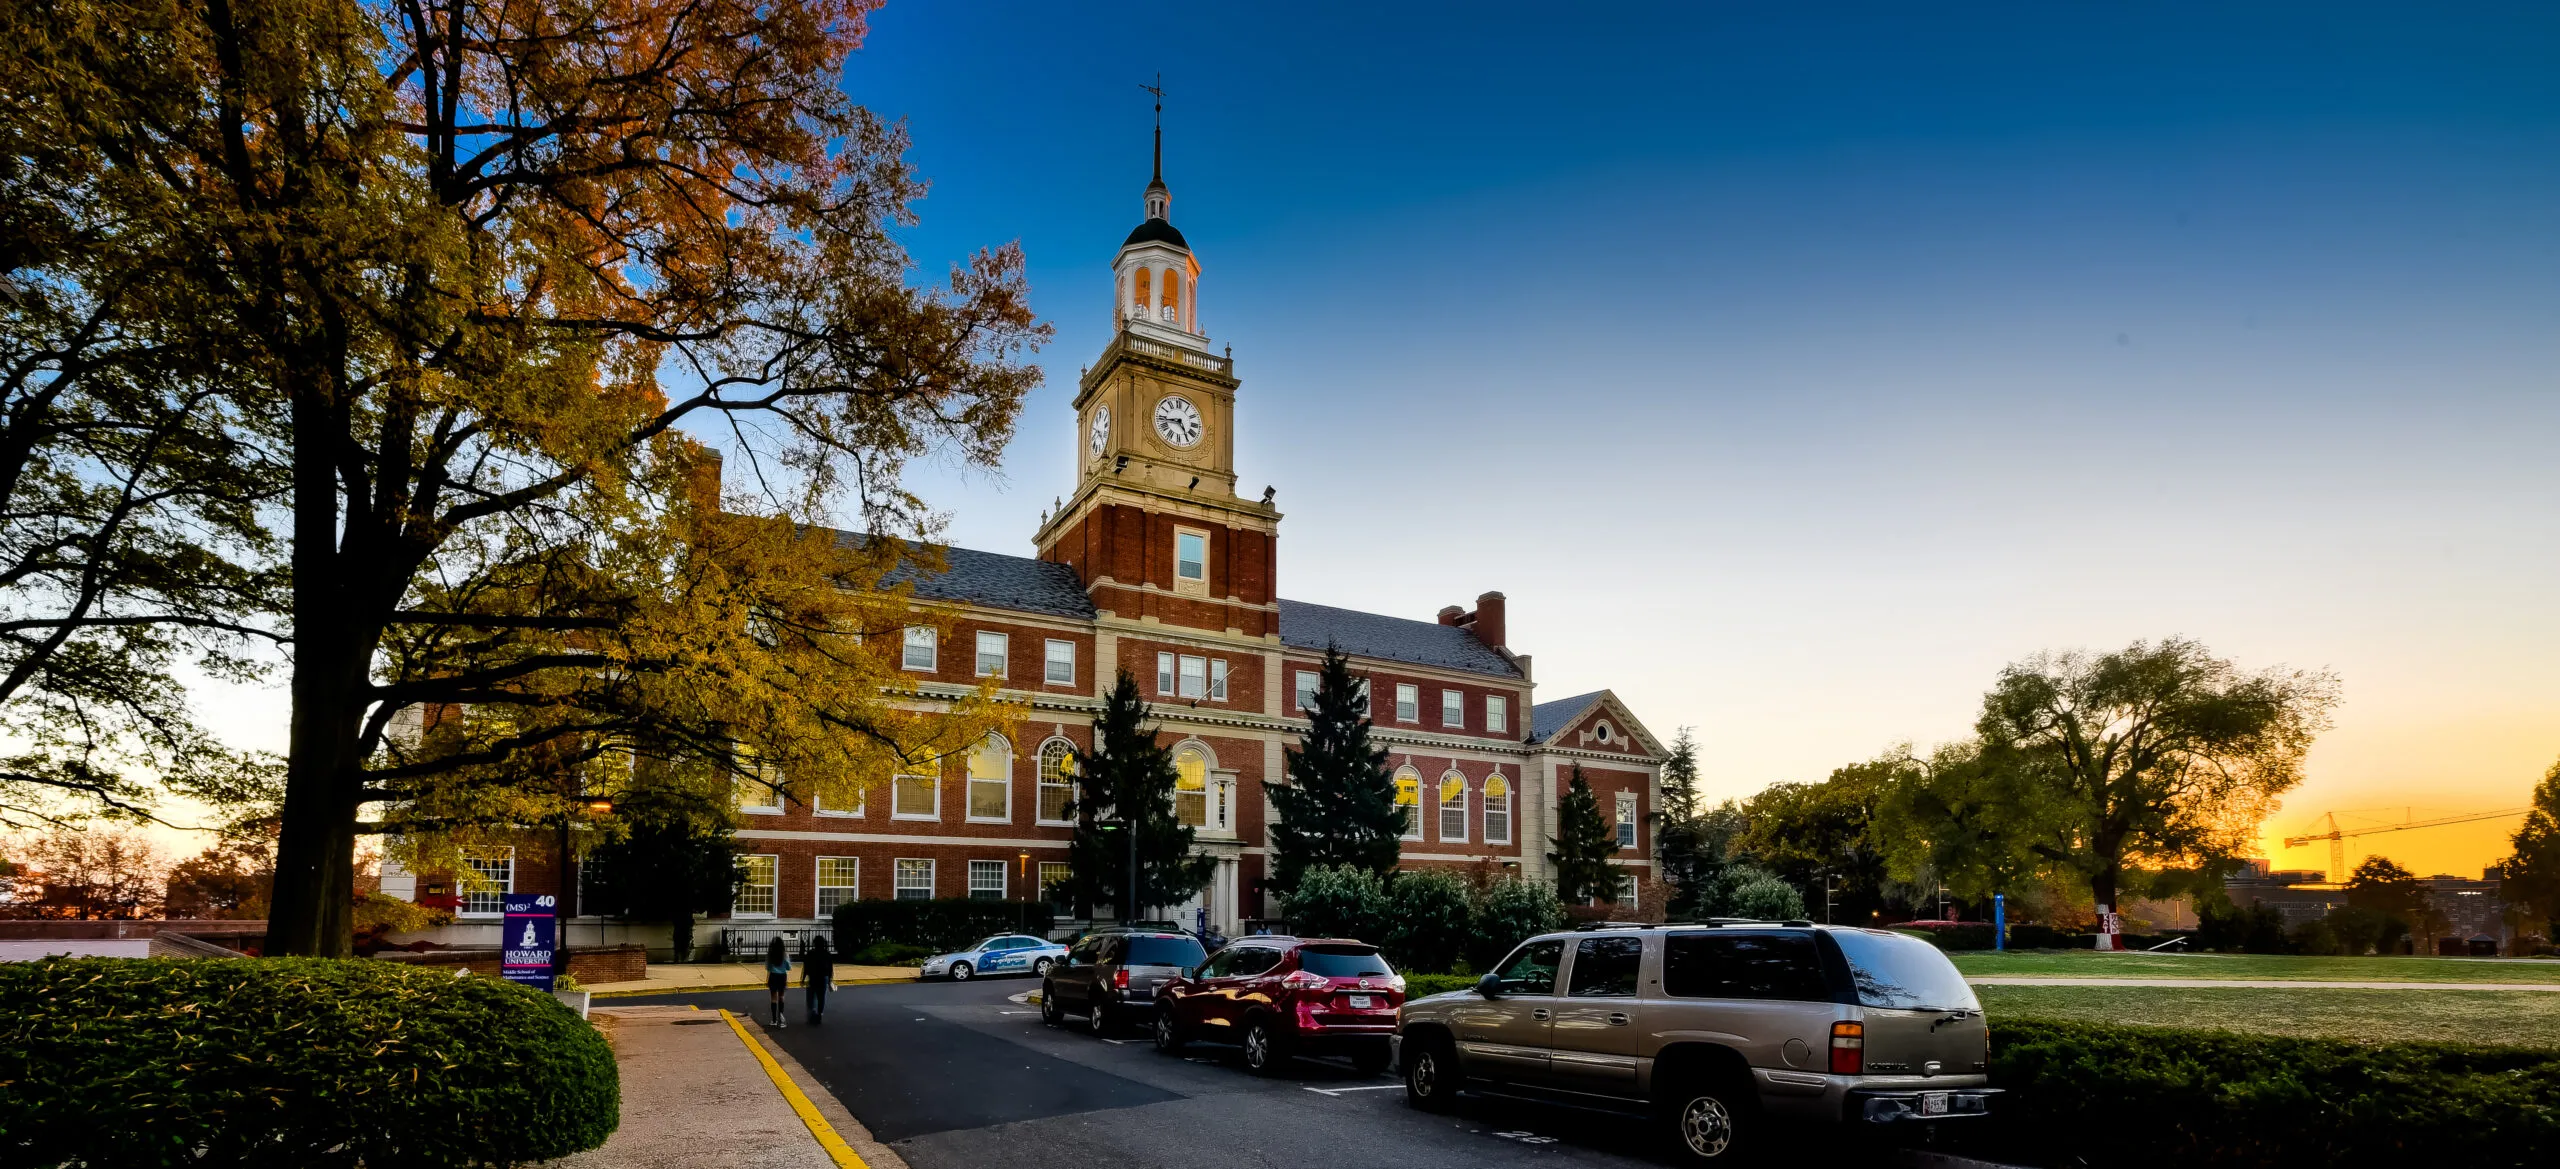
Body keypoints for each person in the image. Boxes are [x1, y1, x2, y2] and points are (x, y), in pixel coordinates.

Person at [802, 936, 836, 1025]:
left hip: (813, 977)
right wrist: (830, 979)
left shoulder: (810, 953)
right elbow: (830, 968)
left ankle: (812, 1013)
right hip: (823, 977)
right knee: (821, 997)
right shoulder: (827, 954)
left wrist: (803, 978)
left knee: (811, 997)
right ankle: (820, 1013)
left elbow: (806, 967)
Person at [764, 936, 791, 1028]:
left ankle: (774, 1020)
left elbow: (768, 968)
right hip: (782, 976)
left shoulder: (770, 954)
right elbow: (788, 967)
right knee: (781, 997)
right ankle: (781, 1018)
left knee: (773, 998)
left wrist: (767, 979)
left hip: (773, 976)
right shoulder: (785, 954)